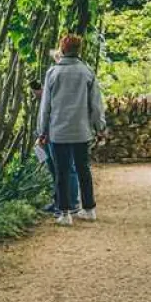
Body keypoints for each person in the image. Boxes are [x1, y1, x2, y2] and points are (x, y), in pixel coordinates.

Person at [37, 33, 106, 226]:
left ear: (63, 50)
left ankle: (65, 213)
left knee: (62, 172)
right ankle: (89, 209)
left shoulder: (53, 73)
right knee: (84, 169)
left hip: (58, 132)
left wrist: (41, 132)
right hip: (82, 131)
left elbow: (46, 107)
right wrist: (100, 128)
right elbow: (96, 105)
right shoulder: (87, 72)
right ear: (79, 50)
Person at [30, 76, 80, 215]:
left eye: (38, 90)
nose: (36, 94)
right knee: (54, 170)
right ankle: (59, 201)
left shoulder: (59, 92)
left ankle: (72, 203)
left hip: (59, 135)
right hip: (48, 136)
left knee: (67, 168)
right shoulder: (45, 97)